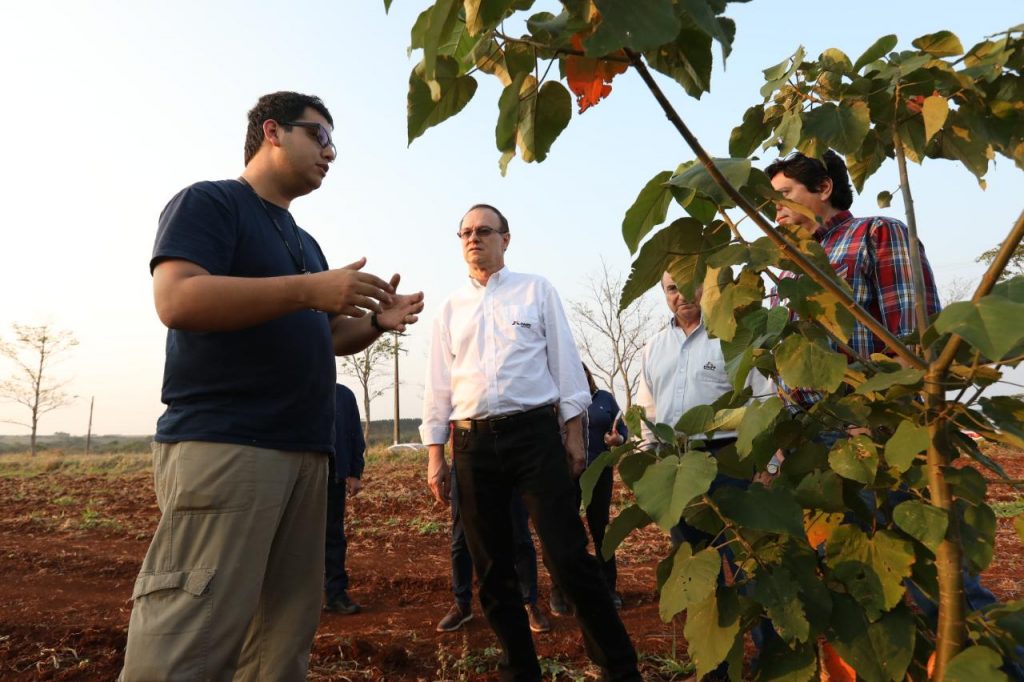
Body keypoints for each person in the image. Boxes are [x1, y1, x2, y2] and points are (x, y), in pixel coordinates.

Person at [120, 91, 424, 681]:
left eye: (334, 143)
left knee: (279, 641)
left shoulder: (303, 241)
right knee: (189, 637)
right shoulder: (210, 203)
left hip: (306, 455)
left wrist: (374, 325)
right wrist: (309, 290)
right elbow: (177, 297)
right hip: (231, 446)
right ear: (272, 132)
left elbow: (325, 337)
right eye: (320, 136)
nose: (330, 153)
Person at [766, 150, 1024, 680]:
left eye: (785, 196)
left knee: (930, 577)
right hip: (811, 440)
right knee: (849, 586)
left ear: (825, 186)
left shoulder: (873, 235)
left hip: (869, 429)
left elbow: (908, 338)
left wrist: (881, 416)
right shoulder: (788, 266)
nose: (777, 213)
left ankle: (1007, 665)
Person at [421, 204, 641, 682]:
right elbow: (439, 386)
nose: (474, 238)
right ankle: (519, 669)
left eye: (484, 231)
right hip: (471, 444)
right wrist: (436, 455)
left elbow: (565, 366)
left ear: (506, 238)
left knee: (567, 555)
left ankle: (619, 668)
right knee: (492, 568)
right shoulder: (451, 308)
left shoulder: (535, 291)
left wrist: (574, 436)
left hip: (534, 437)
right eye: (466, 233)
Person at [637, 273, 777, 680]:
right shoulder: (652, 348)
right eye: (671, 289)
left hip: (731, 462)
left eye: (690, 284)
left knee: (752, 568)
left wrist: (769, 466)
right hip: (677, 470)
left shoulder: (734, 337)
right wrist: (650, 461)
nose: (682, 295)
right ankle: (716, 669)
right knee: (699, 576)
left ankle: (772, 661)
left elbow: (765, 400)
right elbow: (648, 411)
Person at [550, 364, 627, 616]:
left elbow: (622, 430)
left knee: (601, 530)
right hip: (567, 474)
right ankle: (560, 589)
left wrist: (617, 440)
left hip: (599, 473)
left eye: (582, 375)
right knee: (563, 531)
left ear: (588, 376)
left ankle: (609, 589)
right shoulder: (559, 401)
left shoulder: (604, 399)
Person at [438, 473, 551, 633]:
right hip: (467, 458)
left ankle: (529, 602)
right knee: (462, 537)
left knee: (519, 535)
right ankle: (462, 604)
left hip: (511, 458)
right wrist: (436, 455)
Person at [324, 383, 366, 615]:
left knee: (333, 536)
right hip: (299, 470)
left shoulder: (343, 395)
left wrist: (354, 472)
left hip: (334, 474)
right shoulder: (296, 385)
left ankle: (335, 594)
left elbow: (353, 434)